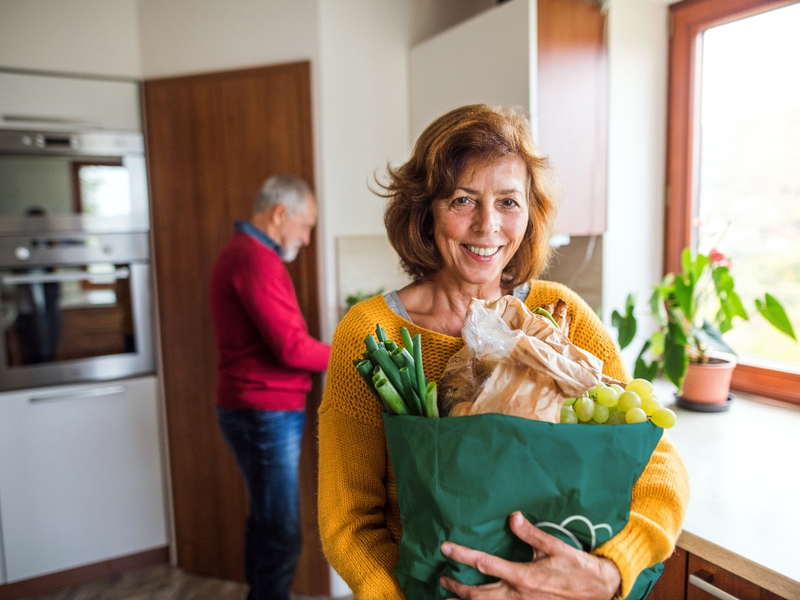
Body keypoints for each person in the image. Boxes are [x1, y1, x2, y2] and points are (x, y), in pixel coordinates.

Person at [317, 105, 690, 599]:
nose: (487, 225)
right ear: (425, 211)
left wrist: (611, 570)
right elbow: (349, 523)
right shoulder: (371, 334)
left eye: (508, 202)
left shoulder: (562, 316)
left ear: (530, 214)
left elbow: (658, 466)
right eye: (463, 200)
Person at [209, 175, 331, 600]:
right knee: (281, 532)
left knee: (267, 523)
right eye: (306, 225)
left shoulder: (247, 255)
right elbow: (293, 349)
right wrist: (353, 353)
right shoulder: (255, 259)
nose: (308, 238)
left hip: (257, 408)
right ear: (280, 214)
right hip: (263, 412)